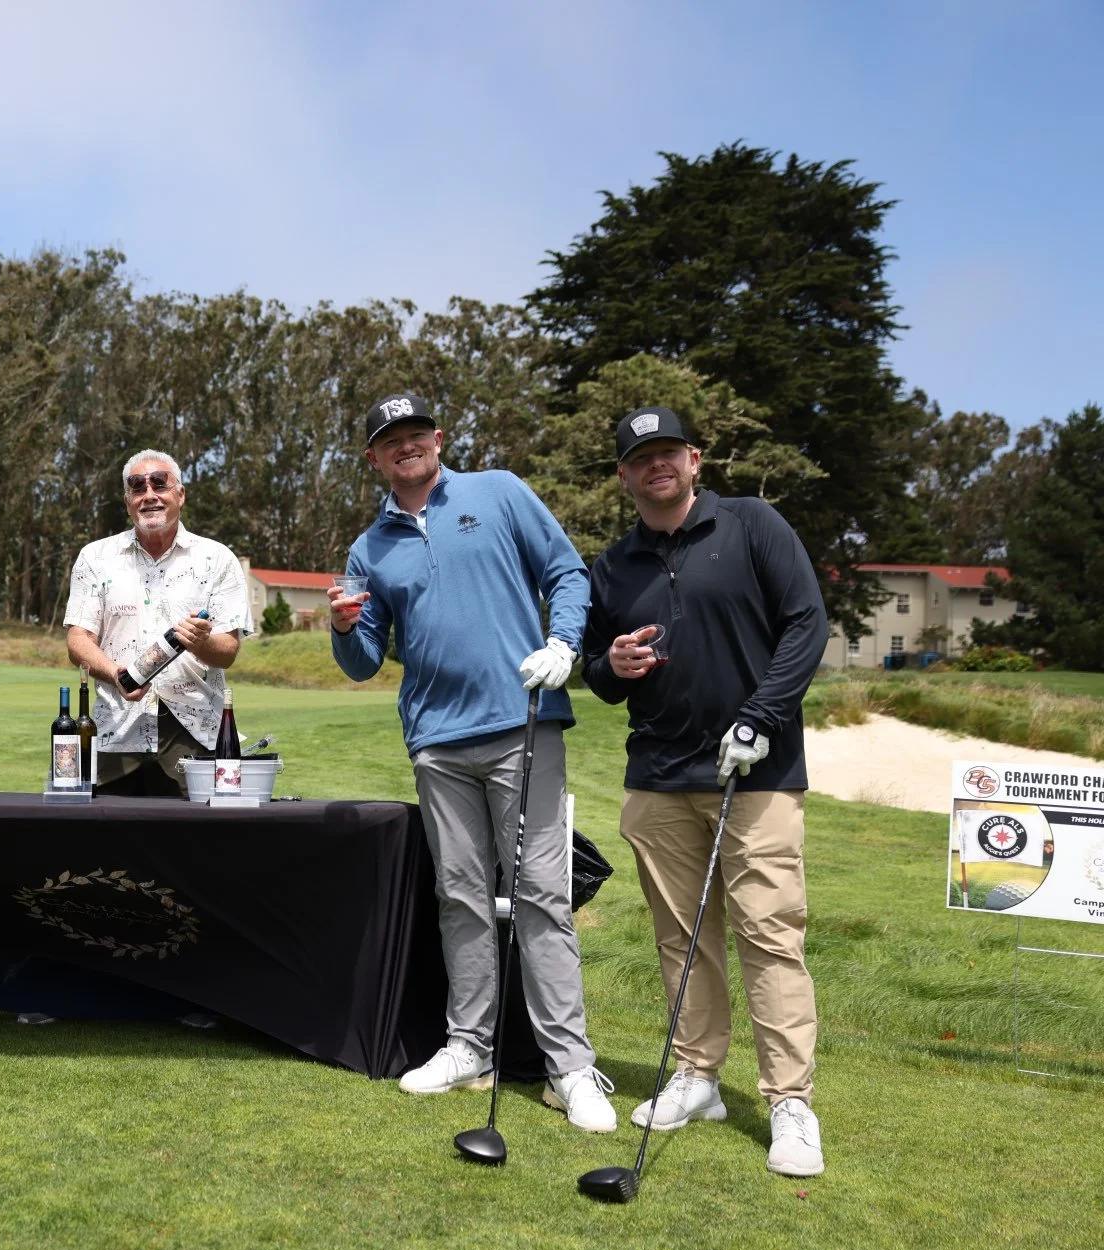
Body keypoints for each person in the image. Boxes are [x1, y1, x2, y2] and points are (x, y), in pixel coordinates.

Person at [328, 394, 616, 1133]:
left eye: (416, 433)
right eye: (390, 440)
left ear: (438, 437)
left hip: (523, 723)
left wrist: (564, 644)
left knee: (541, 894)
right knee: (459, 895)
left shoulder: (499, 492)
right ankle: (468, 1048)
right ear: (374, 459)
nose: (407, 446)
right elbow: (363, 661)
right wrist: (344, 628)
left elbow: (568, 573)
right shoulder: (370, 549)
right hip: (437, 740)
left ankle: (570, 1067)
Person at [580, 405, 829, 1178]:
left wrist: (760, 717)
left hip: (757, 775)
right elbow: (595, 670)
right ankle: (696, 1076)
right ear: (624, 475)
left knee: (769, 934)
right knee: (682, 940)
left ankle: (790, 1101)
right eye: (639, 457)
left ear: (694, 459)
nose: (655, 465)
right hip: (659, 778)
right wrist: (612, 666)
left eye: (668, 452)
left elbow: (806, 625)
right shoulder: (613, 565)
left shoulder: (752, 525)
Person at [64, 450, 250, 797]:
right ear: (127, 502)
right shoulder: (95, 557)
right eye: (137, 487)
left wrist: (201, 642)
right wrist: (115, 674)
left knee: (197, 831)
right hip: (114, 729)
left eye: (160, 483)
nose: (149, 494)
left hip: (194, 731)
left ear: (180, 494)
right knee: (101, 829)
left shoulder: (217, 559)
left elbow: (227, 651)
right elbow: (78, 641)